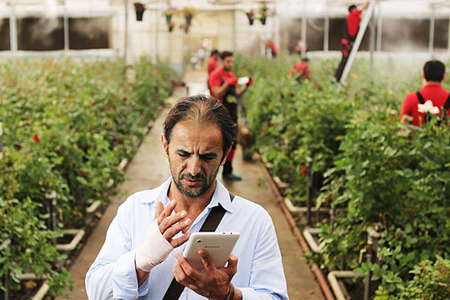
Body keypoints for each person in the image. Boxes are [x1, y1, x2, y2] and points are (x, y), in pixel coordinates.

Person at [85, 95, 288, 300]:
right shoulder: (134, 210)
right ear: (165, 145)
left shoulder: (255, 221)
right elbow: (97, 292)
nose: (193, 169)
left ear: (225, 155)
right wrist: (142, 260)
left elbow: (275, 296)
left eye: (207, 157)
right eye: (183, 154)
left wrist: (230, 296)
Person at [208, 51, 253, 181]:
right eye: (228, 61)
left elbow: (236, 94)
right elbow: (216, 93)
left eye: (232, 61)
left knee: (233, 143)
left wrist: (247, 86)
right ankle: (211, 173)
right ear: (221, 61)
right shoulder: (215, 75)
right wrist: (227, 83)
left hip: (232, 113)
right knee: (217, 143)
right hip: (219, 114)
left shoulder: (231, 75)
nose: (230, 64)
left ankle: (228, 171)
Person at [401, 60, 450, 127]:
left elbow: (404, 127)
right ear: (444, 77)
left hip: (416, 137)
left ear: (423, 75)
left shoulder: (410, 99)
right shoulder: (448, 97)